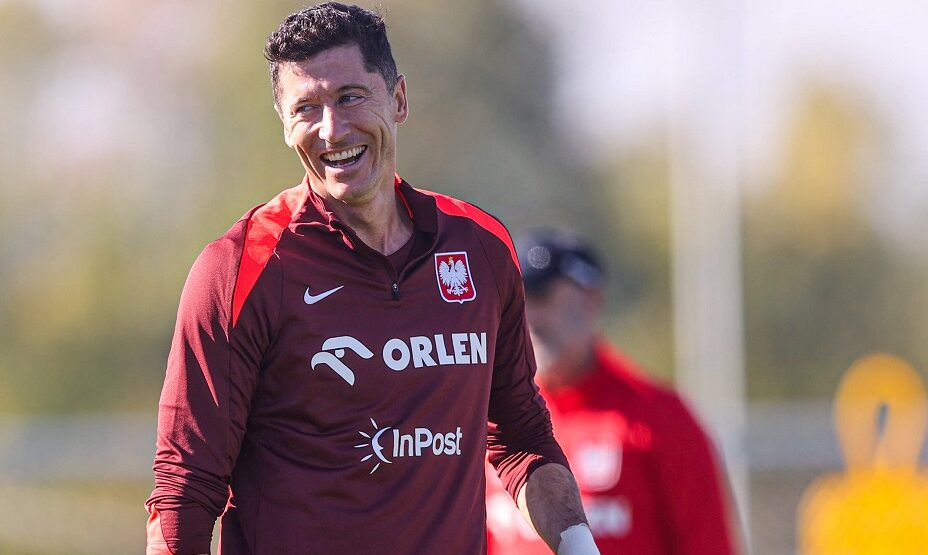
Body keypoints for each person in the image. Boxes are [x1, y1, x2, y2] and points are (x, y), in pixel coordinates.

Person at [145, 4, 599, 555]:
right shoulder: (241, 269)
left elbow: (522, 439)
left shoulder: (480, 248)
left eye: (350, 97)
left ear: (399, 99)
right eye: (306, 108)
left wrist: (580, 547)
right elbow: (184, 487)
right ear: (285, 125)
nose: (331, 130)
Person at [486, 229, 738, 554]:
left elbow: (708, 544)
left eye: (542, 297)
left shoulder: (659, 419)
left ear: (591, 300)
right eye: (517, 300)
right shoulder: (489, 421)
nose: (529, 318)